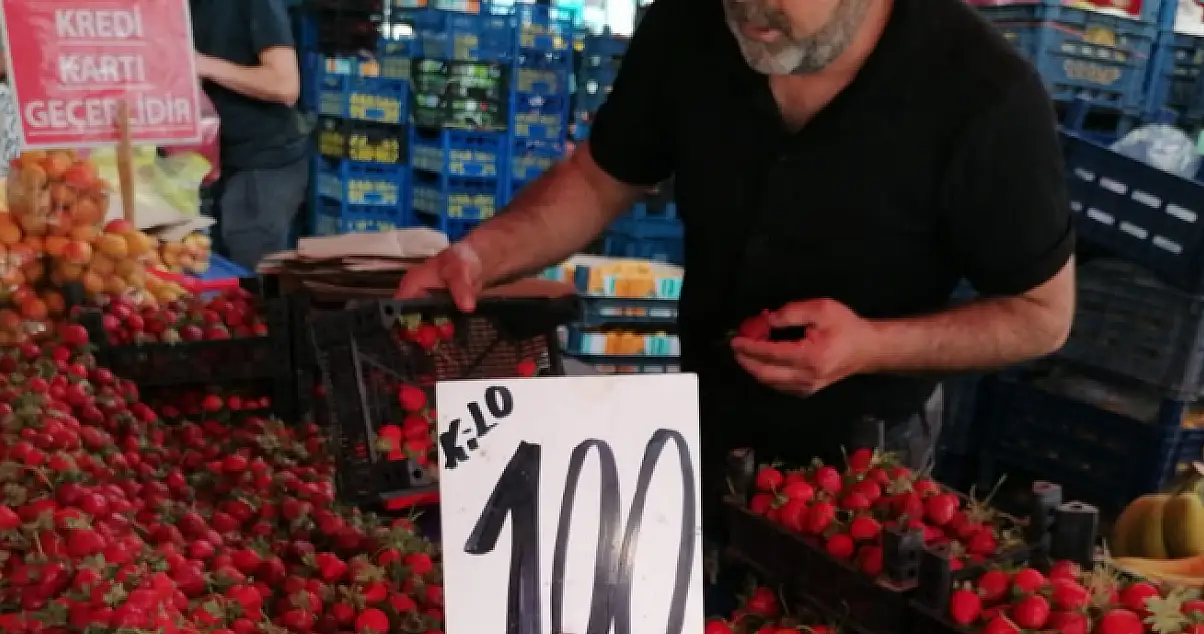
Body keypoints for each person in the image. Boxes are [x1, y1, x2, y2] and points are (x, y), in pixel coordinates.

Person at [398, 0, 1075, 482]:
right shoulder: (692, 22)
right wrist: (483, 254)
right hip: (700, 417)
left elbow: (1041, 316)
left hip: (866, 456)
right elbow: (599, 178)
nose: (750, 10)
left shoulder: (986, 96)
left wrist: (871, 346)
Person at [190, 0, 311, 272]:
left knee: (250, 284)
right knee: (218, 278)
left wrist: (202, 65)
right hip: (215, 165)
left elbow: (284, 84)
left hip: (262, 165)